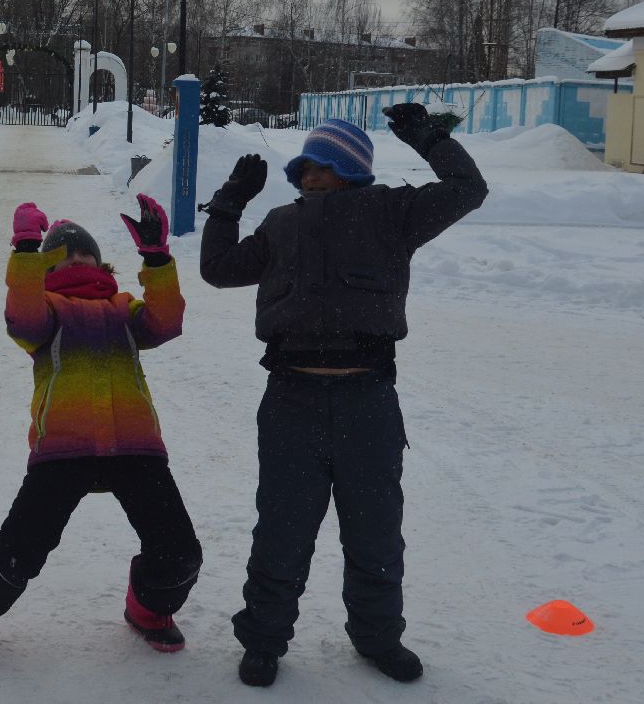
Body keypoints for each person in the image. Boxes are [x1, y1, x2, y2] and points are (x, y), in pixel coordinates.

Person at [199, 107, 488, 688]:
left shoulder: (393, 214)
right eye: (305, 166)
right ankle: (263, 639)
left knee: (375, 529)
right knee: (281, 529)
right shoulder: (281, 223)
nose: (310, 174)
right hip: (291, 399)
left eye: (324, 165)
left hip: (367, 398)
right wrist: (230, 200)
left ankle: (379, 637)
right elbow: (218, 269)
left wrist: (427, 138)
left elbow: (467, 188)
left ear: (352, 170)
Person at [0, 195, 202, 666]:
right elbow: (20, 316)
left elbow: (166, 323)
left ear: (100, 260)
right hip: (63, 450)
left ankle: (148, 608)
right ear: (46, 268)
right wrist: (25, 250)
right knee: (19, 552)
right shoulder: (46, 312)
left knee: (180, 551)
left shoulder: (124, 310)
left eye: (84, 251)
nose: (76, 258)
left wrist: (157, 258)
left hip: (135, 447)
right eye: (62, 254)